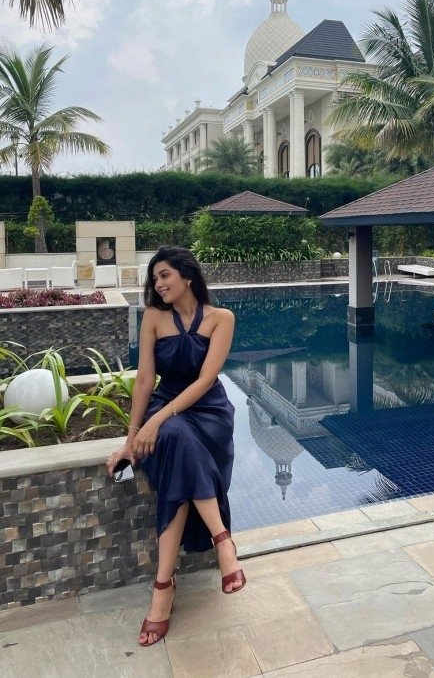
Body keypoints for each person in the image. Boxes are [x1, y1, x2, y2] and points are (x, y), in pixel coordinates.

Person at [106, 245, 245, 647]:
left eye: (165, 275)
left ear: (187, 275)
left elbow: (205, 381)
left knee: (178, 440)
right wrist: (132, 439)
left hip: (209, 412)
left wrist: (156, 422)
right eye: (155, 279)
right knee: (178, 438)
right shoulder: (152, 317)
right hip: (166, 408)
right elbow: (144, 380)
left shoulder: (222, 318)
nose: (159, 284)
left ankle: (163, 589)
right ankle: (223, 542)